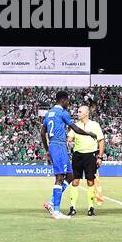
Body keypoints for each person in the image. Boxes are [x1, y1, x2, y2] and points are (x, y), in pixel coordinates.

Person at [41, 91, 96, 219]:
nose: (68, 103)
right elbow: (75, 128)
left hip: (57, 146)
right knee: (59, 177)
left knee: (70, 176)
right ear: (63, 100)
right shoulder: (63, 113)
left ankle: (51, 202)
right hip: (58, 145)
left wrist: (47, 149)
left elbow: (42, 132)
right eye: (67, 101)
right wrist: (89, 133)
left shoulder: (49, 113)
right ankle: (56, 211)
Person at [66, 103, 105, 216]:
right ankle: (72, 207)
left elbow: (101, 141)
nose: (77, 113)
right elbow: (70, 137)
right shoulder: (75, 126)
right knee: (75, 181)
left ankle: (91, 208)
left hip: (90, 156)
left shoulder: (95, 125)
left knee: (90, 181)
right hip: (77, 155)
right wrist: (69, 140)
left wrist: (100, 156)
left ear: (86, 113)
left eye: (79, 111)